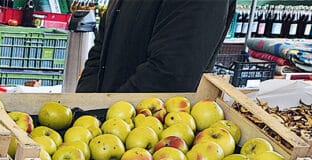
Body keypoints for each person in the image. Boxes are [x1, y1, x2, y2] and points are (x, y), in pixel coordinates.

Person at [77, 0, 237, 92]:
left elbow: (171, 74)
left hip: (149, 135)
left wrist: (109, 115)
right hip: (106, 129)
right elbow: (100, 50)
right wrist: (84, 106)